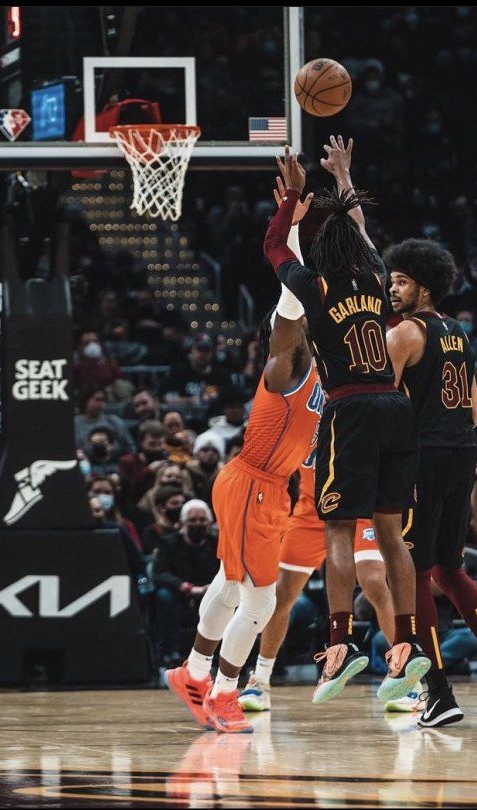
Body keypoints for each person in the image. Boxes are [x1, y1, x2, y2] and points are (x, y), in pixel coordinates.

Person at [263, 140, 428, 705]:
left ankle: (340, 644)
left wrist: (291, 200)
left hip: (350, 407)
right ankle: (405, 643)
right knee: (390, 533)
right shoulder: (378, 278)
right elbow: (360, 228)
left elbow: (273, 246)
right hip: (395, 407)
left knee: (337, 528)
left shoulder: (314, 286)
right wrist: (344, 178)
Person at [165, 173, 322, 733]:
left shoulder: (315, 368)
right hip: (253, 482)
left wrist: (297, 222)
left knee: (230, 586)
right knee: (259, 601)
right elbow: (290, 296)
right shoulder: (285, 364)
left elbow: (297, 295)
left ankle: (193, 672)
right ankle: (226, 692)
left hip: (265, 486)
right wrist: (291, 220)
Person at [385, 237, 477, 727]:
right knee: (451, 569)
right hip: (463, 452)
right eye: (391, 280)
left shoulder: (404, 333)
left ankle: (439, 692)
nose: (392, 288)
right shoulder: (460, 333)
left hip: (423, 457)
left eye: (401, 281)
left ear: (424, 288)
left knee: (417, 573)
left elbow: (384, 407)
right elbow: (473, 409)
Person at [237, 429, 399, 713]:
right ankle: (260, 680)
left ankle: (404, 677)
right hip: (312, 512)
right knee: (281, 594)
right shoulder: (304, 409)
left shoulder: (362, 409)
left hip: (360, 508)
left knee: (374, 582)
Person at [153, 499, 220, 667]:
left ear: (209, 523)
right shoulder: (169, 543)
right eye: (192, 520)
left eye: (202, 520)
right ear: (183, 524)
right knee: (163, 596)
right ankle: (169, 653)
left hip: (211, 592)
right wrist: (185, 587)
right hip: (179, 592)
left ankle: (221, 655)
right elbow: (159, 573)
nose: (198, 524)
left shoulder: (217, 543)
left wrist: (212, 587)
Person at [74, 384, 134, 459]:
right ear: (85, 400)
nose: (101, 404)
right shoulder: (74, 424)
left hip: (114, 464)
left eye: (103, 400)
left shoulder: (114, 421)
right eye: (97, 400)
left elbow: (131, 449)